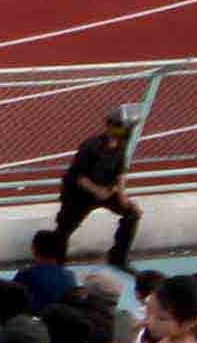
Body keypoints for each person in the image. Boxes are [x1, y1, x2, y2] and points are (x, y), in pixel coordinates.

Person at [46, 111, 141, 265]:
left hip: (104, 192)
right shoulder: (91, 146)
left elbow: (120, 172)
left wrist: (122, 197)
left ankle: (118, 258)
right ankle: (57, 263)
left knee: (132, 214)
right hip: (79, 194)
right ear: (109, 126)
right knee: (64, 229)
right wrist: (98, 191)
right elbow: (80, 177)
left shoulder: (120, 146)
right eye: (120, 127)